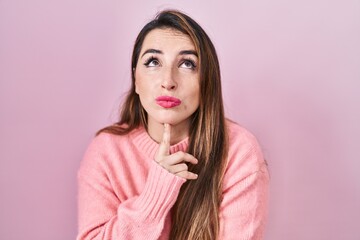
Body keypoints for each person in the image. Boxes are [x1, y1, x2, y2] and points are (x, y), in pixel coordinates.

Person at [77, 9, 269, 240]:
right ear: (136, 79)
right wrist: (155, 196)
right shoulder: (106, 151)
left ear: (207, 81)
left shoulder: (238, 150)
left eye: (187, 64)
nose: (168, 81)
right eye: (153, 62)